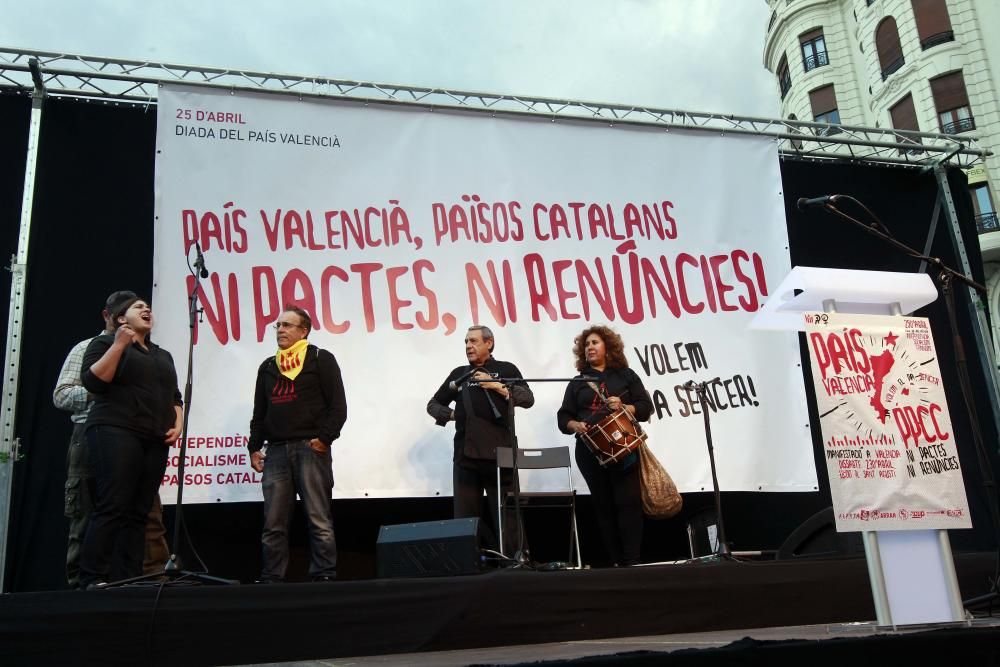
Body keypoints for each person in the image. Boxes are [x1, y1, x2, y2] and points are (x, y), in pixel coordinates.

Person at [54, 291, 171, 588]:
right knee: (93, 509)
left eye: (147, 306)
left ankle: (134, 578)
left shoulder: (156, 353)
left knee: (143, 514)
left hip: (144, 435)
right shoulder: (92, 346)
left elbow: (172, 394)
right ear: (111, 316)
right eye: (135, 307)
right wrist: (111, 389)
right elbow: (64, 394)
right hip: (97, 433)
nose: (146, 309)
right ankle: (85, 581)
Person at [248, 305, 346, 583]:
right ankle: (272, 578)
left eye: (287, 325)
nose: (280, 330)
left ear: (304, 331)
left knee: (319, 518)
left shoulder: (319, 358)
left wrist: (325, 439)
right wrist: (254, 447)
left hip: (310, 448)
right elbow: (260, 412)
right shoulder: (268, 366)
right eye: (278, 325)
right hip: (276, 451)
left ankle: (324, 575)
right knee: (273, 524)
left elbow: (338, 407)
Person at [427, 325, 534, 555]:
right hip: (466, 456)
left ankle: (516, 562)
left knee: (508, 515)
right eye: (466, 342)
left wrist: (497, 385)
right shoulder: (459, 374)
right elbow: (433, 405)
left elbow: (527, 398)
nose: (468, 346)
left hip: (501, 455)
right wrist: (454, 415)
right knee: (465, 518)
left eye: (473, 341)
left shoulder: (506, 369)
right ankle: (467, 563)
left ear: (489, 343)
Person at [557, 325, 652, 566]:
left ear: (608, 348)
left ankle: (632, 560)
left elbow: (644, 407)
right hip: (590, 452)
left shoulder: (626, 376)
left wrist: (624, 406)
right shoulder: (577, 383)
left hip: (624, 449)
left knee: (628, 502)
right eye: (587, 344)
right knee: (603, 505)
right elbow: (563, 417)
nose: (590, 347)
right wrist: (575, 425)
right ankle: (614, 562)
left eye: (595, 342)